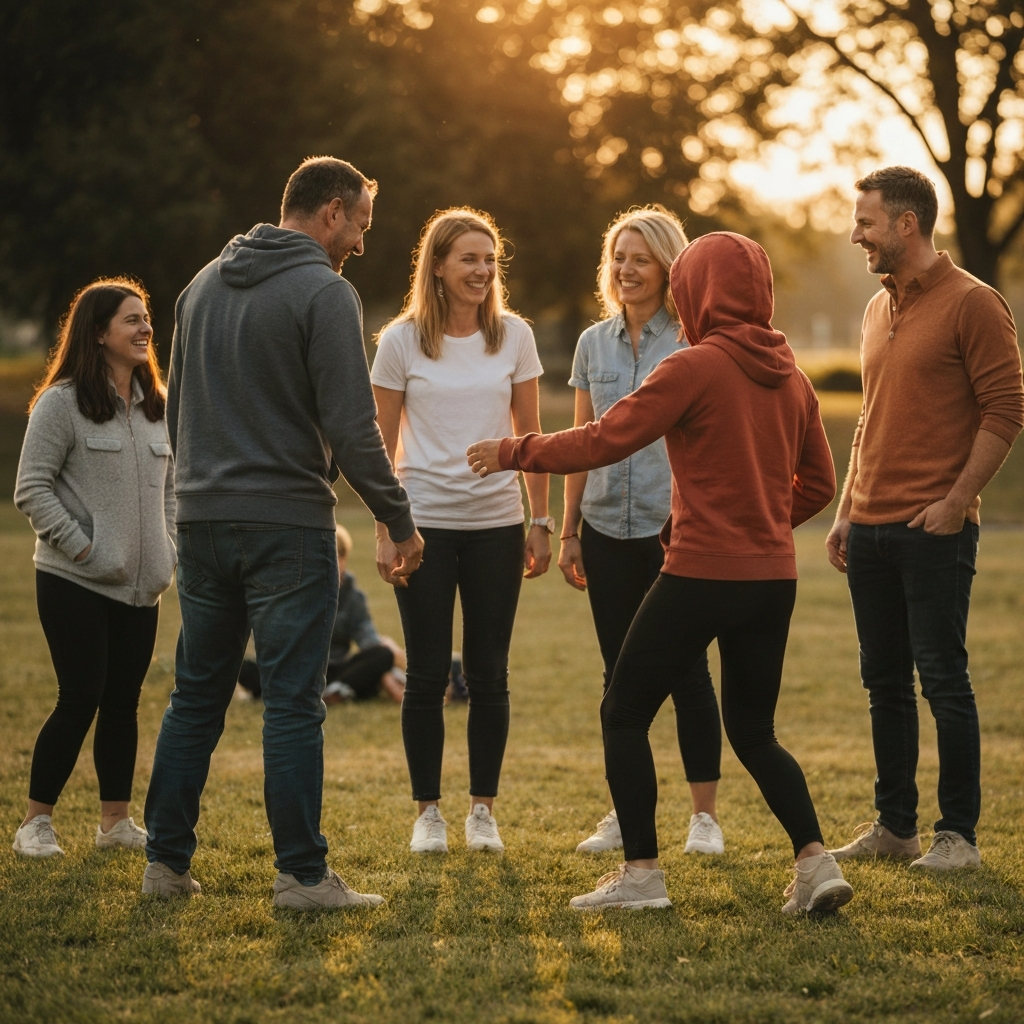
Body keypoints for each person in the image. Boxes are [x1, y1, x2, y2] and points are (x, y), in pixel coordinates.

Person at [469, 232, 851, 916]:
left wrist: (511, 450)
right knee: (755, 730)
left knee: (623, 709)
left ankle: (642, 876)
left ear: (700, 291)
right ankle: (815, 863)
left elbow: (603, 438)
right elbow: (819, 483)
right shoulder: (790, 375)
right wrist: (760, 524)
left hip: (702, 573)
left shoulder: (692, 365)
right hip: (772, 579)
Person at [143, 156, 424, 909]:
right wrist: (398, 517)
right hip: (287, 526)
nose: (361, 244)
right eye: (361, 224)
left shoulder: (200, 284)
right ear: (331, 211)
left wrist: (183, 507)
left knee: (195, 698)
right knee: (294, 703)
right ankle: (303, 878)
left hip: (201, 521)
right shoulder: (324, 292)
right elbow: (352, 425)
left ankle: (164, 867)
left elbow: (176, 413)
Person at [825, 166, 1024, 870]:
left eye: (867, 222)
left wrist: (953, 500)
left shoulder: (974, 303)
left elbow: (1006, 408)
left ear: (906, 224)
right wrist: (849, 508)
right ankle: (895, 828)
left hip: (934, 530)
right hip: (871, 528)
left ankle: (958, 837)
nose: (858, 235)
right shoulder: (878, 308)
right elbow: (870, 421)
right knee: (883, 684)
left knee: (942, 676)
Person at [371, 207, 550, 856]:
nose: (481, 270)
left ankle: (482, 811)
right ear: (438, 266)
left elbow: (530, 441)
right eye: (469, 259)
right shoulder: (400, 342)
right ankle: (428, 814)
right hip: (422, 528)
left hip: (497, 526)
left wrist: (541, 522)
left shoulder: (515, 339)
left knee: (489, 672)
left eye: (490, 260)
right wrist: (387, 527)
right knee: (424, 673)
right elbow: (379, 444)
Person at [559, 206, 723, 858]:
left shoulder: (691, 343)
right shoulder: (592, 344)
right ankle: (628, 815)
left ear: (667, 267)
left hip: (671, 533)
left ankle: (703, 819)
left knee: (687, 672)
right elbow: (579, 443)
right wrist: (568, 531)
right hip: (603, 528)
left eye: (641, 258)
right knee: (618, 678)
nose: (627, 269)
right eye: (618, 257)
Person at [13, 278, 176, 858]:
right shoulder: (61, 403)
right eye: (131, 320)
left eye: (146, 319)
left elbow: (173, 490)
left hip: (142, 586)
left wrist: (169, 547)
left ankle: (114, 824)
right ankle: (35, 824)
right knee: (79, 694)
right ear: (99, 332)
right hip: (73, 579)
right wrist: (82, 548)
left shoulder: (160, 405)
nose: (145, 329)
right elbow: (31, 488)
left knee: (123, 702)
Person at [237, 524, 407, 705]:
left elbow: (368, 640)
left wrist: (388, 668)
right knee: (243, 667)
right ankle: (334, 691)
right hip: (298, 669)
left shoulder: (354, 597)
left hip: (336, 669)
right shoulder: (296, 590)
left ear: (345, 559)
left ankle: (332, 691)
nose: (335, 563)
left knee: (382, 655)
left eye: (339, 556)